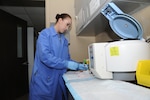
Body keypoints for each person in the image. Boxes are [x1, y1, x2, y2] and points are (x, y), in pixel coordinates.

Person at [29, 13, 88, 100]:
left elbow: (66, 59)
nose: (67, 28)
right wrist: (67, 64)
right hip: (44, 81)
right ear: (60, 20)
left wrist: (78, 65)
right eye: (67, 24)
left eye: (69, 26)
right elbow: (45, 57)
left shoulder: (64, 40)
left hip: (58, 81)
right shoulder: (45, 34)